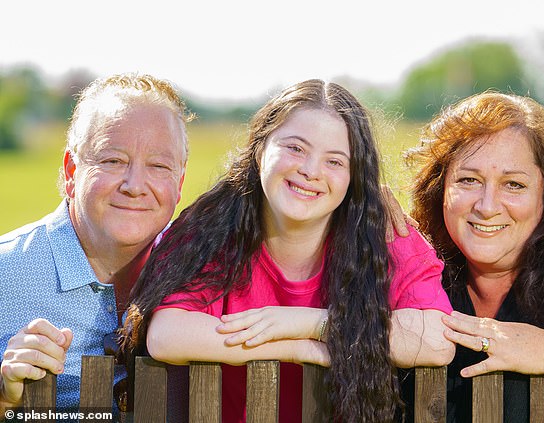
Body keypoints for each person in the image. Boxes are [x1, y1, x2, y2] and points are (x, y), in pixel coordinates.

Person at [124, 79, 455, 423]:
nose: (310, 171)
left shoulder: (387, 236)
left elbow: (436, 339)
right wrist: (298, 347)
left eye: (335, 161)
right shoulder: (210, 232)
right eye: (295, 148)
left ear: (354, 176)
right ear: (260, 150)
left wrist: (312, 324)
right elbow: (167, 335)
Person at [403, 91, 544, 422]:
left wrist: (543, 349)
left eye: (513, 184)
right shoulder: (412, 271)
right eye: (468, 180)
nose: (487, 206)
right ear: (439, 188)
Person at [0, 73, 192, 414]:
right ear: (72, 171)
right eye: (112, 161)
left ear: (179, 183)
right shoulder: (6, 272)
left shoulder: (204, 272)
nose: (135, 186)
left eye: (159, 166)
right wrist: (4, 397)